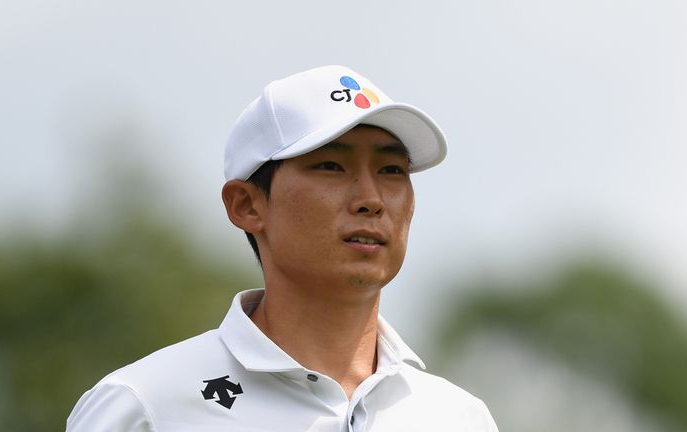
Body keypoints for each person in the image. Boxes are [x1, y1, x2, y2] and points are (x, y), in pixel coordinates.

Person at [66, 65, 499, 431]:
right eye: (330, 165)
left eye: (391, 169)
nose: (371, 198)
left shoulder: (458, 417)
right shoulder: (147, 405)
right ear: (247, 205)